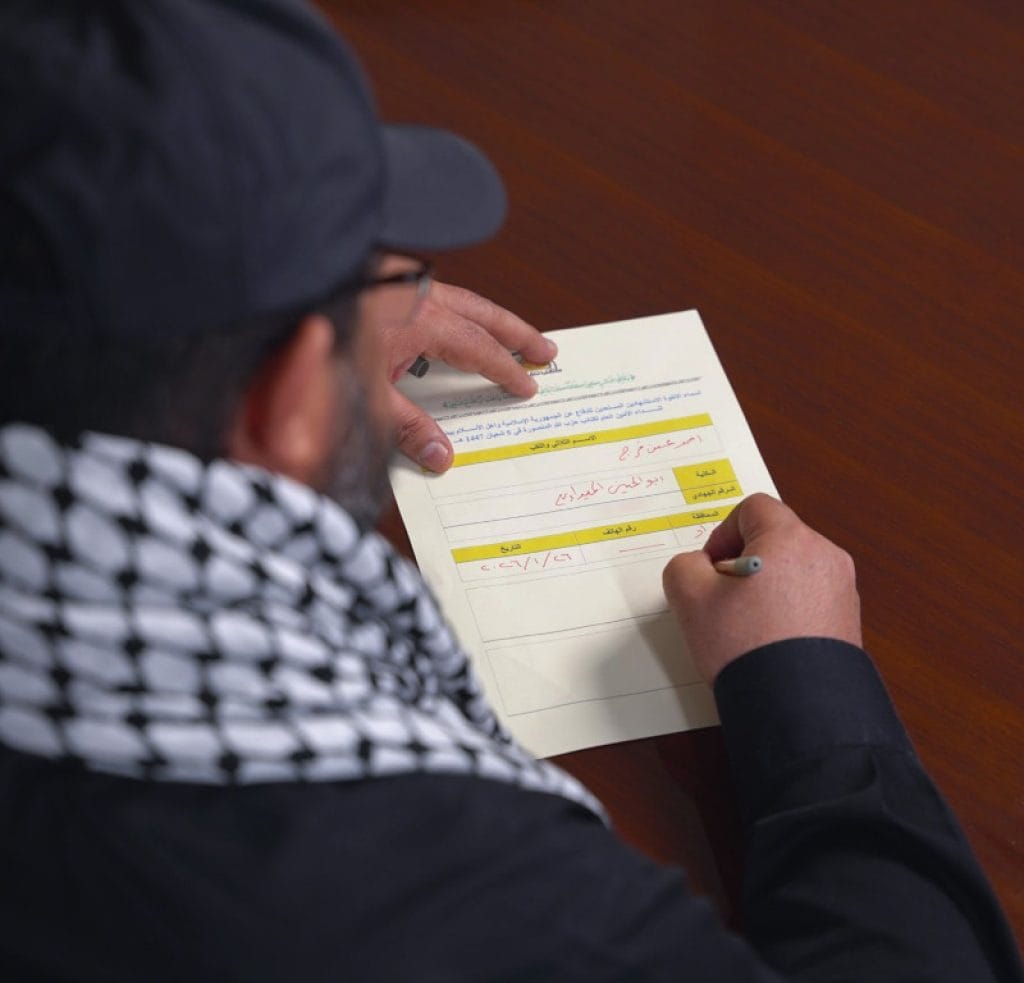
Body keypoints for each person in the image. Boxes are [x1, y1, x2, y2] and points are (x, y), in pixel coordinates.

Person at [0, 2, 1019, 981]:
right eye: (387, 283)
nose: (406, 303)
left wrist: (302, 320)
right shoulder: (442, 896)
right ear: (283, 398)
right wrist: (807, 685)